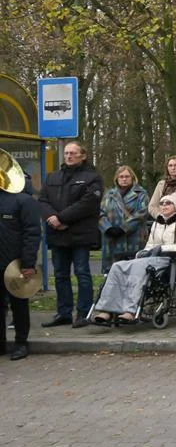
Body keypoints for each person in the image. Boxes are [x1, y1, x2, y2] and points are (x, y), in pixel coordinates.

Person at [91, 193, 176, 325]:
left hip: (168, 259)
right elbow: (149, 245)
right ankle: (107, 310)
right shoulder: (157, 224)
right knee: (117, 267)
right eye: (162, 203)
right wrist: (142, 253)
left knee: (139, 269)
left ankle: (130, 311)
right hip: (150, 258)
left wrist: (162, 249)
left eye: (168, 203)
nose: (164, 206)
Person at [39, 141, 103, 329]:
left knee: (82, 273)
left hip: (80, 234)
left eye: (73, 153)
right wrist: (50, 217)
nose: (68, 156)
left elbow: (88, 204)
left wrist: (60, 218)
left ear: (83, 155)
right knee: (60, 275)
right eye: (66, 153)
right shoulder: (53, 177)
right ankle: (64, 313)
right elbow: (42, 200)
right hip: (57, 234)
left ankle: (84, 313)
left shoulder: (92, 178)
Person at [0, 178, 41, 360]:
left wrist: (28, 263)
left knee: (19, 304)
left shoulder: (23, 200)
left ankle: (21, 343)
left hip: (14, 263)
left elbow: (32, 233)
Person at [99, 165, 150, 274]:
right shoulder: (109, 194)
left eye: (127, 176)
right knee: (112, 273)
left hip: (133, 238)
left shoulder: (141, 194)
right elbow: (100, 213)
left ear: (132, 178)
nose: (124, 179)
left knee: (133, 271)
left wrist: (123, 228)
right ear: (116, 178)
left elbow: (141, 214)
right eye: (121, 176)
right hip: (111, 239)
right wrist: (107, 228)